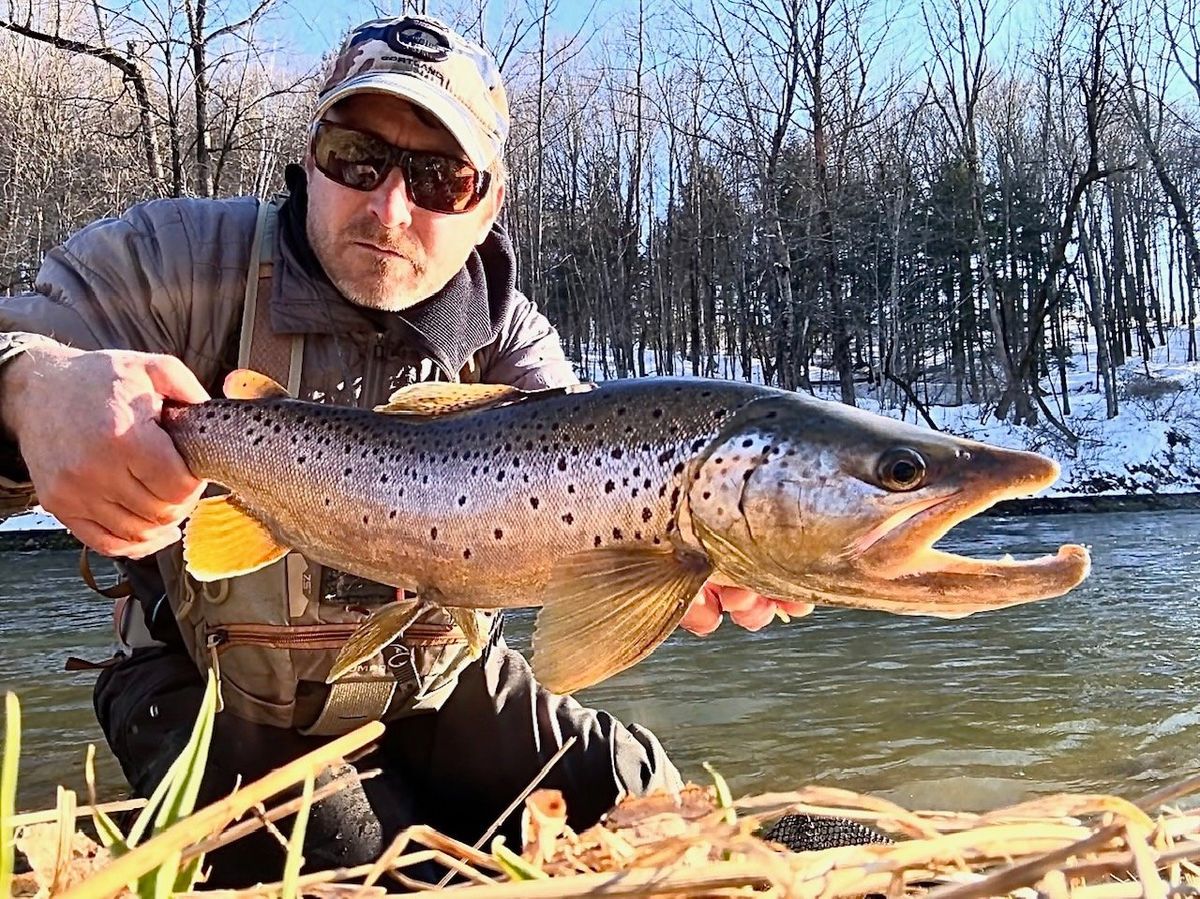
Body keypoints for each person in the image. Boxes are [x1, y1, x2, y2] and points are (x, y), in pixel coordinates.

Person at [0, 13, 804, 888]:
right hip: (203, 685)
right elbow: (19, 347)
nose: (389, 206)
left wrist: (675, 563)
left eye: (439, 178)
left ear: (488, 203)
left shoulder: (515, 348)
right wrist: (30, 390)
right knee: (370, 865)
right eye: (357, 157)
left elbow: (590, 554)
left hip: (431, 681)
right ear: (311, 157)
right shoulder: (173, 263)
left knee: (660, 815)